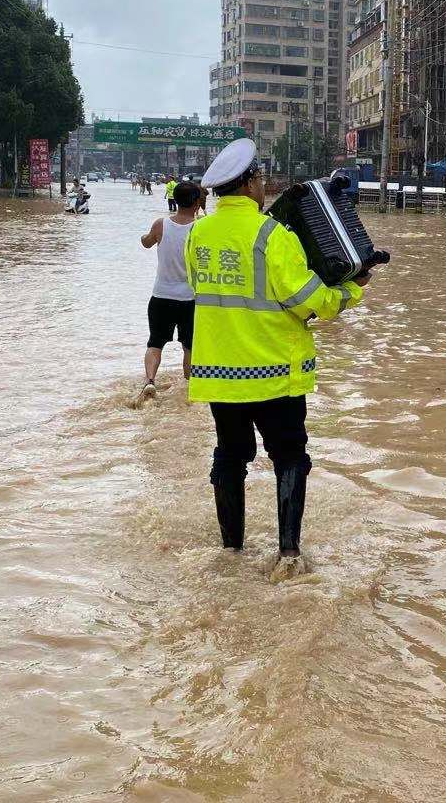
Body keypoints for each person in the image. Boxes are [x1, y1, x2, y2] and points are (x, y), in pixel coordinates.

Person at [187, 138, 369, 579]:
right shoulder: (272, 235)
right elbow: (308, 300)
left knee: (230, 456)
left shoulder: (198, 233)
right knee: (290, 458)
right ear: (249, 182)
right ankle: (288, 555)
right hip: (274, 373)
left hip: (219, 375)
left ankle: (230, 550)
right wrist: (352, 290)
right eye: (260, 178)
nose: (264, 185)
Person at [138, 181, 201, 402]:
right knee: (190, 346)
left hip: (161, 296)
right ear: (196, 202)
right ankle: (190, 388)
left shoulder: (161, 224)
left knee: (155, 342)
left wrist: (147, 238)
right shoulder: (200, 228)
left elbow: (146, 243)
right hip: (190, 299)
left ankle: (150, 381)